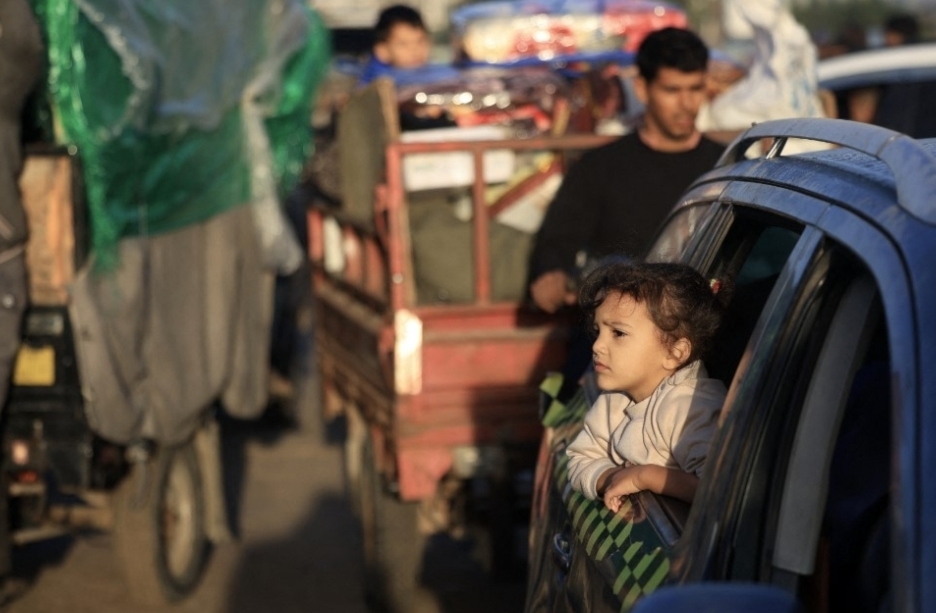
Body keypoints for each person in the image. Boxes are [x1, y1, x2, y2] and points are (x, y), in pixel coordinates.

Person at [527, 27, 724, 389]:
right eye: (672, 90)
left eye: (695, 89)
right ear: (643, 88)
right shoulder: (600, 168)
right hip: (621, 343)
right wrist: (552, 273)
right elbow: (559, 239)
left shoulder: (724, 168)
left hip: (704, 344)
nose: (687, 104)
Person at [566, 260, 727, 510]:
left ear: (675, 352)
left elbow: (720, 493)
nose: (597, 346)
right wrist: (611, 478)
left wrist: (645, 477)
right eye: (598, 331)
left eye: (618, 333)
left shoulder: (692, 408)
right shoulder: (614, 399)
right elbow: (579, 458)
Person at [359, 4, 431, 85]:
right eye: (403, 44)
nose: (415, 50)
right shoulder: (376, 82)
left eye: (420, 41)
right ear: (382, 51)